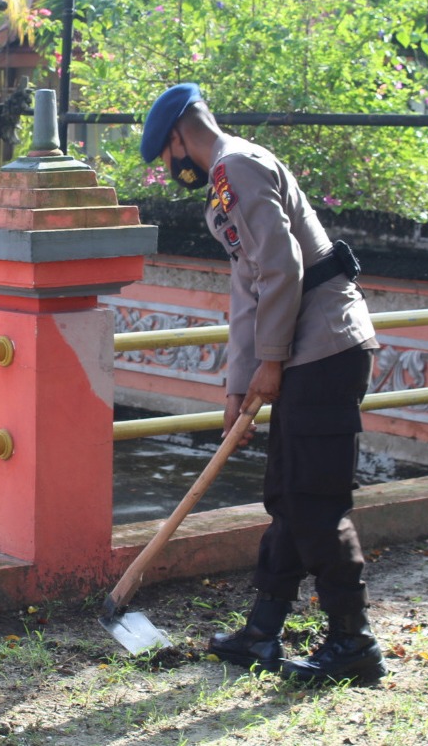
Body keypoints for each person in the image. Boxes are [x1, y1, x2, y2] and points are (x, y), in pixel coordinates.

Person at [139, 82, 387, 685]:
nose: (171, 167)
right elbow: (247, 291)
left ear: (179, 137)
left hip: (324, 349)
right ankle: (262, 632)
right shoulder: (229, 179)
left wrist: (269, 362)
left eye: (166, 154)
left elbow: (282, 267)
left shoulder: (237, 167)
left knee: (314, 499)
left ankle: (353, 642)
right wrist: (237, 387)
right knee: (288, 494)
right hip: (305, 352)